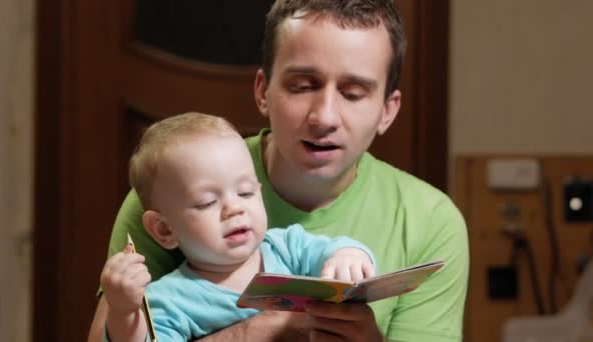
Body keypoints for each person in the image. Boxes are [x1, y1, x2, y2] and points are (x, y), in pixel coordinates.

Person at [88, 0, 469, 341]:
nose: (324, 117)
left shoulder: (430, 222)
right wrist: (258, 332)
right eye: (303, 86)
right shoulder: (174, 189)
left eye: (353, 93)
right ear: (262, 91)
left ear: (388, 111)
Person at [100, 112, 376, 341]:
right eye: (207, 202)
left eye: (245, 192)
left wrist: (348, 257)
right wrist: (124, 313)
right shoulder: (172, 299)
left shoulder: (285, 248)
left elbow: (333, 249)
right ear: (164, 230)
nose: (235, 208)